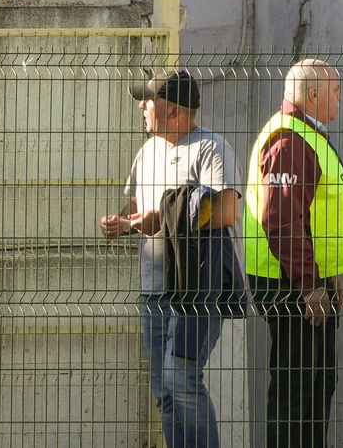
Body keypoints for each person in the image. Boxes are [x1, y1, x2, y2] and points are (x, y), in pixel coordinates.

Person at [101, 68, 239, 448]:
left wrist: (161, 218)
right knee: (164, 390)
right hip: (154, 289)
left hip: (195, 289)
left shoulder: (211, 148)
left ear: (174, 111)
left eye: (149, 100)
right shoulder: (147, 151)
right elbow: (138, 209)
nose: (143, 106)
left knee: (181, 377)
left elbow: (227, 211)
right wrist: (123, 223)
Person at [241, 59, 343, 448]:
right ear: (313, 95)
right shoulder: (289, 143)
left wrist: (328, 274)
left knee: (318, 382)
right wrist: (310, 284)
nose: (340, 98)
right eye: (335, 91)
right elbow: (280, 221)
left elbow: (312, 218)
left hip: (304, 279)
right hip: (290, 285)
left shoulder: (305, 136)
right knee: (296, 389)